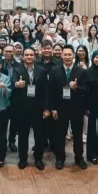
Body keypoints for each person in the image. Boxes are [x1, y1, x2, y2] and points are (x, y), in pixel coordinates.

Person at [35, 40, 65, 169]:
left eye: (49, 48)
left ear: (52, 49)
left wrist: (53, 107)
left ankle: (60, 158)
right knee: (39, 133)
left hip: (55, 102)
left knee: (57, 133)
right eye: (44, 48)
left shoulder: (59, 63)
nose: (46, 50)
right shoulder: (36, 63)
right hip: (39, 102)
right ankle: (38, 158)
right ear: (41, 50)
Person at [59, 45, 88, 169]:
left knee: (77, 134)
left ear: (73, 56)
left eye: (69, 54)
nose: (67, 57)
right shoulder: (56, 70)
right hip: (61, 107)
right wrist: (53, 108)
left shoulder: (81, 71)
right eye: (65, 54)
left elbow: (86, 89)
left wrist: (77, 87)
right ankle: (60, 158)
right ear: (61, 56)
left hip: (77, 107)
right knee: (60, 134)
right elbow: (52, 91)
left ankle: (79, 158)